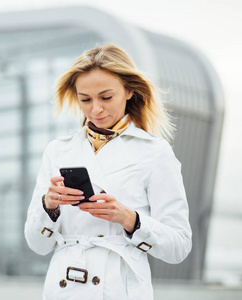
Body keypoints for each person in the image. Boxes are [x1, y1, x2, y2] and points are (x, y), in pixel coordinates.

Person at [24, 43, 192, 300]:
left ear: (129, 91)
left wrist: (129, 219)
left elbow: (179, 246)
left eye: (106, 97)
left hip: (119, 288)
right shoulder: (57, 151)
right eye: (85, 100)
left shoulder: (155, 152)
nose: (96, 110)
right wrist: (49, 206)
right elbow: (38, 246)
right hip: (64, 287)